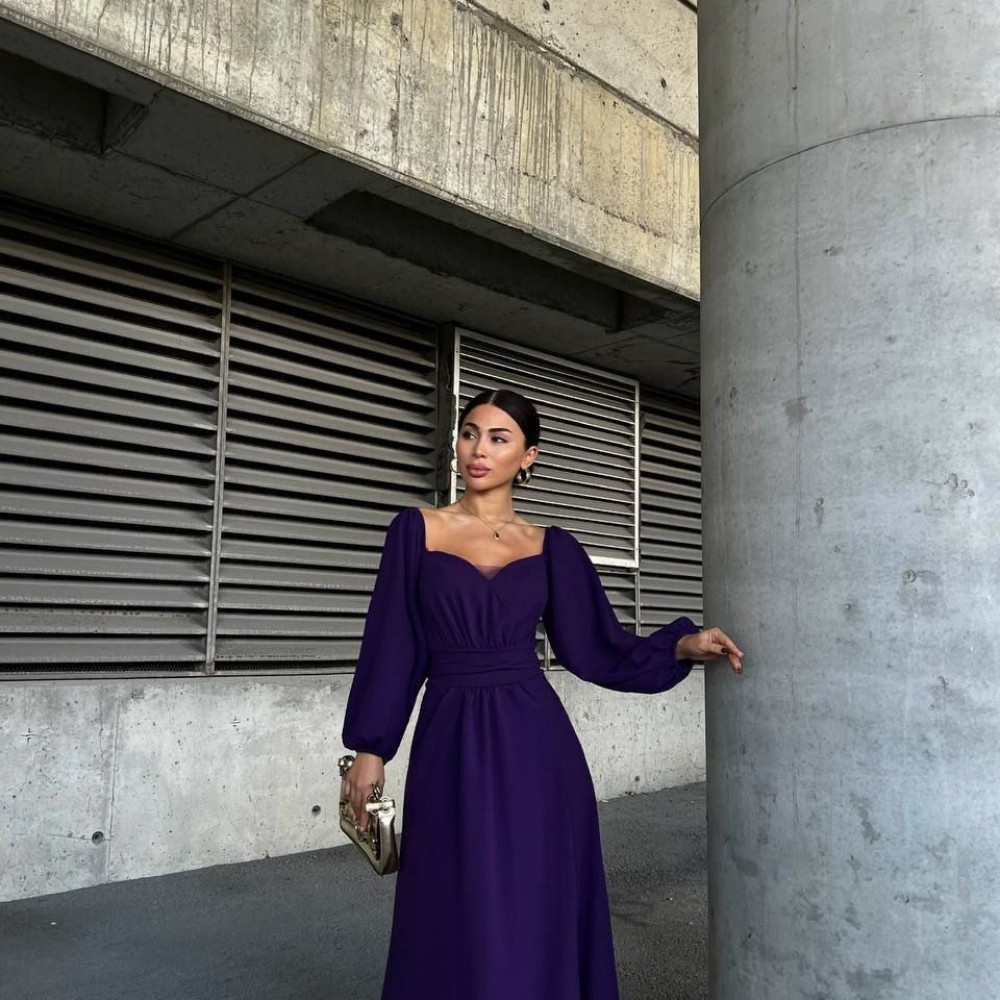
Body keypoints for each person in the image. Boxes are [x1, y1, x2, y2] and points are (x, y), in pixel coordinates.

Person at [340, 387, 743, 1000]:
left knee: (536, 892)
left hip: (536, 745)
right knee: (454, 892)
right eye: (469, 433)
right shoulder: (416, 531)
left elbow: (595, 647)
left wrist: (681, 646)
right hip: (450, 737)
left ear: (527, 456)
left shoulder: (552, 547)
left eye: (498, 438)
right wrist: (371, 747)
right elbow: (392, 644)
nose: (479, 449)